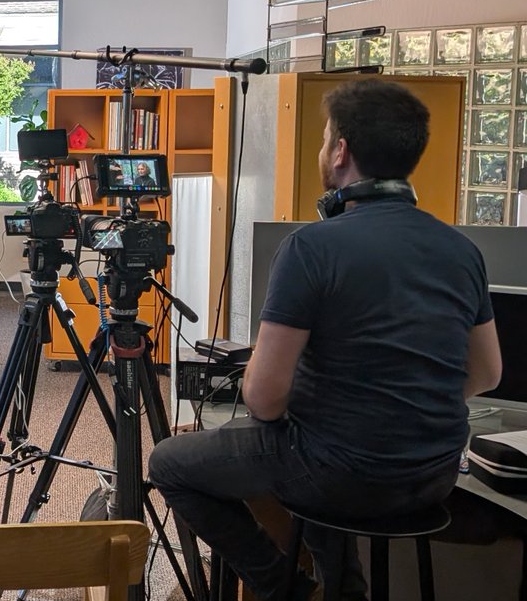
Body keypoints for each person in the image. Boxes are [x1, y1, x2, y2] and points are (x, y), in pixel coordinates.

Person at [148, 80, 502, 601]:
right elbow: (487, 373)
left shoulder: (310, 247)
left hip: (338, 475)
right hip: (434, 475)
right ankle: (344, 591)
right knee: (320, 450)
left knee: (169, 463)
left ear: (340, 152)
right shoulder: (461, 248)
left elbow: (264, 400)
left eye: (324, 139)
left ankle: (287, 590)